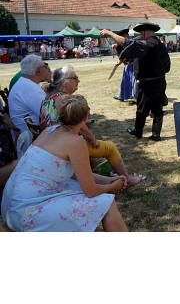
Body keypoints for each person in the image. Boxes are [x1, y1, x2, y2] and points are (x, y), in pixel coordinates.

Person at [1, 95, 128, 231]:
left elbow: (79, 175)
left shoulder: (48, 131)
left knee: (75, 186)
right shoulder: (75, 142)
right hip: (25, 212)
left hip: (10, 205)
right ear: (85, 119)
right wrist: (112, 187)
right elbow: (90, 191)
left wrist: (109, 180)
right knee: (107, 202)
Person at [39, 66, 144, 187]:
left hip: (50, 146)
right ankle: (127, 179)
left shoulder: (47, 99)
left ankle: (104, 175)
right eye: (75, 78)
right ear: (63, 82)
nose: (78, 81)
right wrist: (92, 138)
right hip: (65, 147)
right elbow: (79, 124)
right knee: (110, 148)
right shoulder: (66, 100)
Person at [101, 23, 171, 141]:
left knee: (142, 110)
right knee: (157, 109)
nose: (139, 36)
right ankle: (156, 134)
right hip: (160, 81)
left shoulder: (149, 43)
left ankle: (138, 132)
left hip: (148, 84)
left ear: (146, 33)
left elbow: (126, 42)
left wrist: (109, 33)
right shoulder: (159, 44)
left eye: (141, 34)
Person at [8, 55, 50, 133]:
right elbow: (49, 113)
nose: (47, 69)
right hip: (30, 136)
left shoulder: (24, 82)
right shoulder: (29, 87)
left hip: (27, 132)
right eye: (45, 67)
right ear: (39, 71)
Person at [112, 28, 136, 102]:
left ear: (125, 35)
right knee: (126, 81)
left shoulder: (131, 42)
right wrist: (116, 47)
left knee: (132, 81)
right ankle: (122, 95)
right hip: (127, 65)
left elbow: (127, 54)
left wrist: (120, 61)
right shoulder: (124, 42)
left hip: (133, 64)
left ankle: (133, 96)